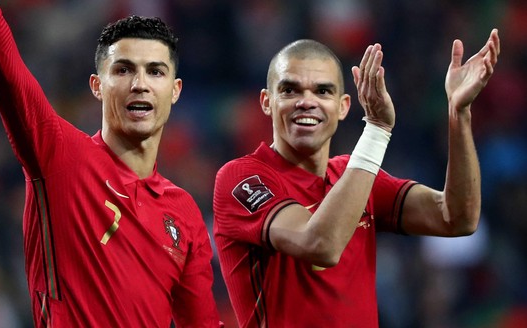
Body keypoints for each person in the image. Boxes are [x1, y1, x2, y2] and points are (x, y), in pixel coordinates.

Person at [213, 29, 500, 327]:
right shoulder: (242, 179)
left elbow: (457, 218)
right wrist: (376, 130)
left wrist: (459, 112)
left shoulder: (356, 176)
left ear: (343, 106)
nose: (306, 101)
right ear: (266, 102)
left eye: (322, 91)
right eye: (290, 90)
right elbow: (321, 244)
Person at [0, 0, 222, 326]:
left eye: (155, 71)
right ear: (97, 86)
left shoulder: (185, 214)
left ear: (175, 90)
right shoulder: (58, 154)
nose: (139, 84)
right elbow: (5, 71)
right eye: (123, 70)